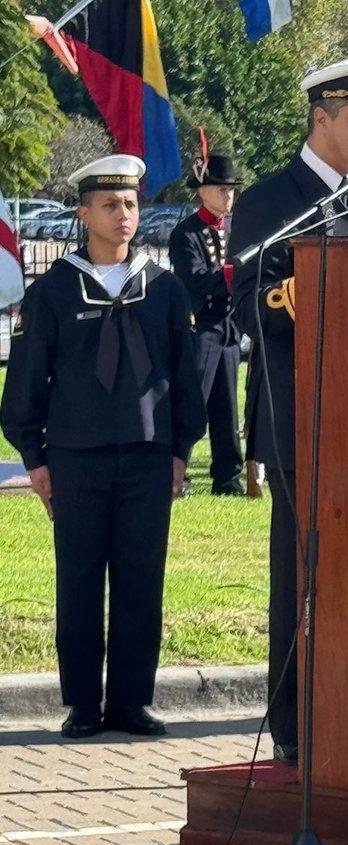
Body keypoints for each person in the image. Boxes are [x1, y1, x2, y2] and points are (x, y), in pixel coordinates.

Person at [229, 56, 348, 765]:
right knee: (305, 581)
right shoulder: (275, 200)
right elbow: (244, 303)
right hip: (306, 423)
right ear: (321, 117)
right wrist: (294, 298)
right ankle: (299, 728)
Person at [0, 154, 206, 738]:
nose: (123, 215)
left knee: (143, 578)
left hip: (147, 454)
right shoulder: (55, 291)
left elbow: (183, 377)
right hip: (76, 457)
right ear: (83, 212)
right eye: (110, 205)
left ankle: (132, 701)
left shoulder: (162, 289)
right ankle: (83, 703)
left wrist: (180, 450)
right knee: (81, 579)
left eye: (132, 204)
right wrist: (36, 458)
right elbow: (26, 380)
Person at [169, 152, 245, 496]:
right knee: (191, 402)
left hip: (228, 324)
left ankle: (228, 477)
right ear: (203, 191)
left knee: (227, 407)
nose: (228, 196)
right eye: (221, 190)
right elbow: (195, 279)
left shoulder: (235, 227)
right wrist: (234, 273)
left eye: (231, 190)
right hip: (200, 326)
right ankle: (177, 472)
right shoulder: (186, 233)